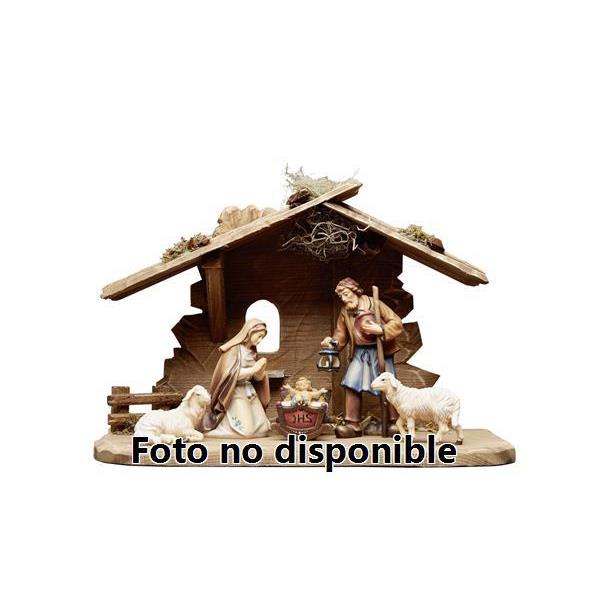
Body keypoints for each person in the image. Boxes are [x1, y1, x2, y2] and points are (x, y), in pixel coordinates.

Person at [321, 277, 404, 438]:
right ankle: (353, 425)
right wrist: (332, 342)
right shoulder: (346, 311)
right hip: (360, 353)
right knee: (351, 383)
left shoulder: (375, 304)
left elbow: (396, 323)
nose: (344, 299)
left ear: (355, 291)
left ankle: (395, 422)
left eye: (346, 294)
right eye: (341, 296)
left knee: (389, 384)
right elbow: (341, 334)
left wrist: (381, 330)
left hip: (380, 351)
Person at [203, 318, 271, 438]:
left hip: (249, 391)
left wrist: (261, 370)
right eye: (259, 336)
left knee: (263, 429)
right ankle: (220, 429)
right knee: (246, 431)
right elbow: (228, 374)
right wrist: (253, 369)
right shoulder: (233, 350)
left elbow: (256, 378)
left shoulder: (252, 352)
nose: (260, 340)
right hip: (234, 391)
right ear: (250, 332)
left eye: (262, 338)